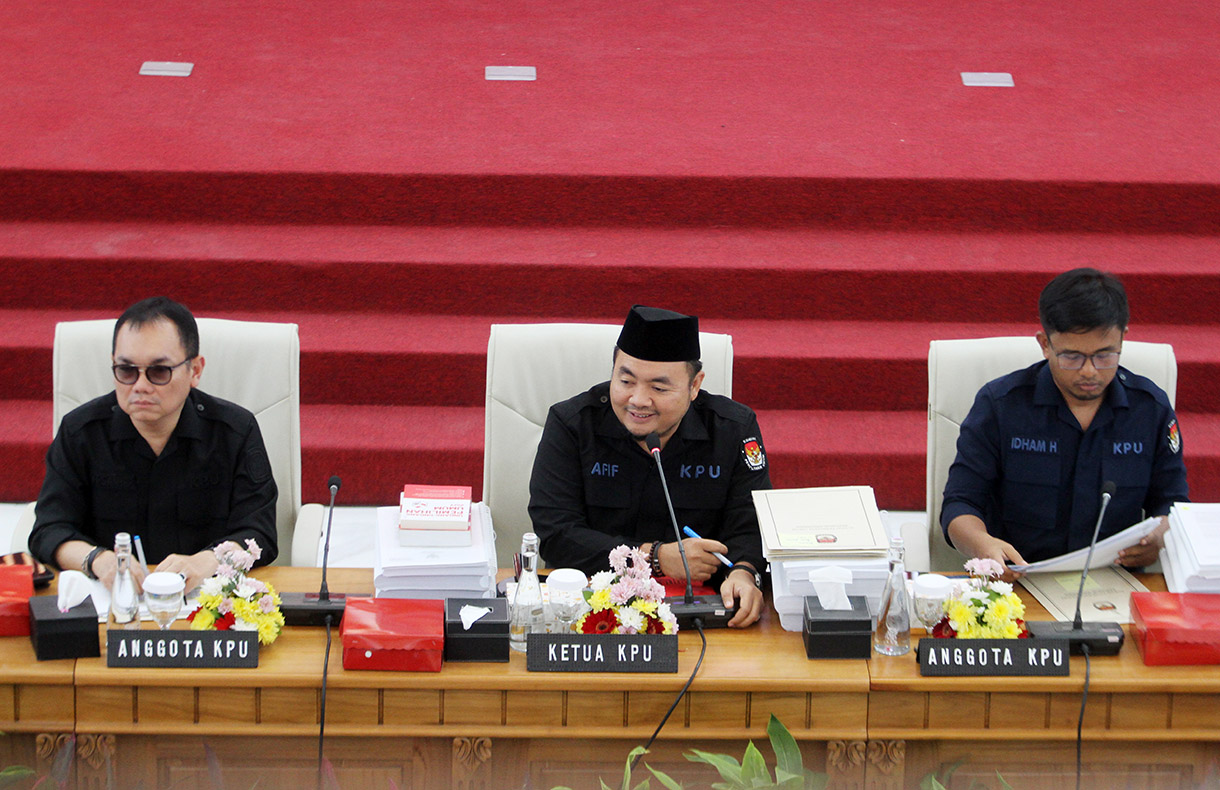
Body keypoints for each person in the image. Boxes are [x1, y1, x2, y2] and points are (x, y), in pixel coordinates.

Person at [528, 305, 770, 627]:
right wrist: (653, 558)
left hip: (702, 613)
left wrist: (744, 571)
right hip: (591, 612)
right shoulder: (572, 425)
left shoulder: (733, 430)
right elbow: (557, 535)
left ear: (694, 386)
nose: (638, 400)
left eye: (658, 388)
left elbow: (751, 524)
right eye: (625, 380)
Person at [941, 268, 1188, 579]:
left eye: (1104, 355)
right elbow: (960, 504)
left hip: (1115, 583)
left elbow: (1173, 503)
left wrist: (1162, 536)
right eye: (1071, 356)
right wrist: (983, 544)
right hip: (1019, 584)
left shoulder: (1150, 409)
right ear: (1045, 344)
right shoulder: (1001, 405)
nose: (1089, 371)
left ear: (1123, 338)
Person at [29, 297, 278, 592]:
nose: (140, 386)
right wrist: (97, 559)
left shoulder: (235, 431)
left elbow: (259, 533)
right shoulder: (80, 432)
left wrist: (206, 562)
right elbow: (49, 529)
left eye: (159, 371)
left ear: (195, 371)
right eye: (126, 371)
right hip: (112, 601)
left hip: (207, 603)